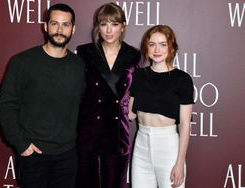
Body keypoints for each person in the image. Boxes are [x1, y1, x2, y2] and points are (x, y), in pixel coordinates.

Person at [0, 3, 85, 188]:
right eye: (54, 23)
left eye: (65, 24)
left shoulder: (79, 65)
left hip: (67, 157)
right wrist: (21, 144)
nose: (59, 30)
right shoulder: (22, 62)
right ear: (45, 26)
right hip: (33, 155)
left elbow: (85, 107)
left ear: (73, 29)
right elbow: (6, 105)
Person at [76, 2, 141, 188]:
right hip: (89, 129)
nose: (109, 30)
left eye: (114, 24)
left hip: (117, 131)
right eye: (104, 24)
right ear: (98, 27)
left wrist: (133, 110)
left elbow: (138, 90)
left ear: (123, 27)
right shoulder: (85, 52)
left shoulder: (134, 55)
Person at [129, 25, 194, 188]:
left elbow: (185, 125)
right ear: (146, 47)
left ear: (171, 47)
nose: (157, 49)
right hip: (141, 146)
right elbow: (130, 114)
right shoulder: (137, 75)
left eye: (163, 44)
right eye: (152, 44)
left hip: (168, 147)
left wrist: (179, 163)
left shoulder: (182, 79)